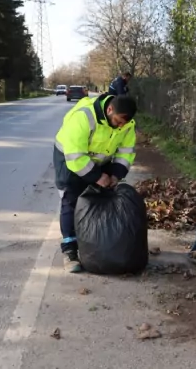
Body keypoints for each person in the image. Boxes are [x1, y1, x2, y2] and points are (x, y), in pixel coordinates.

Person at [53, 92, 138, 272]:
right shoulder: (84, 117)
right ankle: (70, 251)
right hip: (70, 158)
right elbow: (75, 156)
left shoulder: (127, 123)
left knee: (102, 196)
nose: (121, 125)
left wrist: (115, 175)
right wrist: (97, 177)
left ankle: (97, 244)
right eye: (118, 121)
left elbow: (126, 151)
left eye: (124, 122)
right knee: (71, 199)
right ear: (109, 109)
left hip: (100, 158)